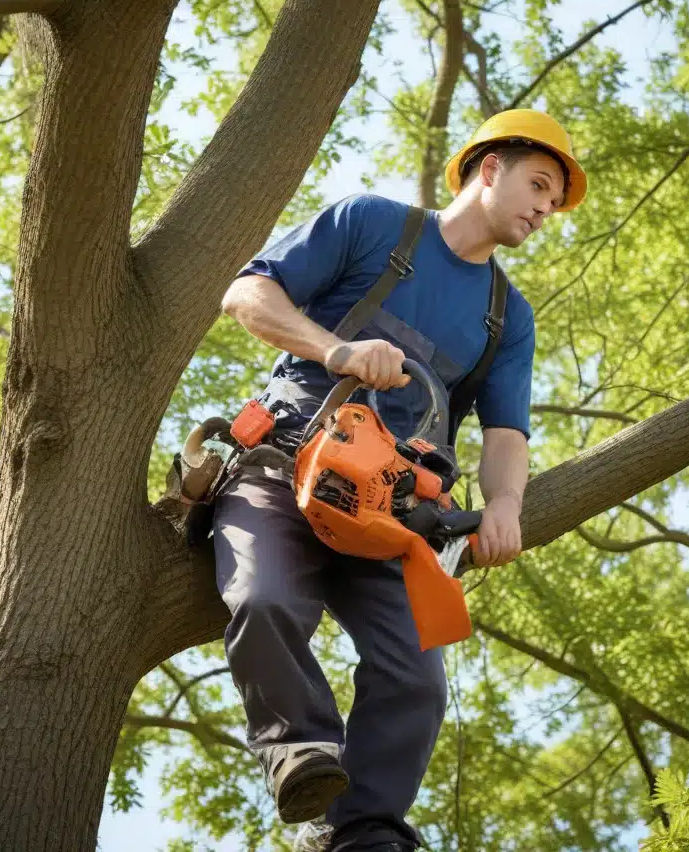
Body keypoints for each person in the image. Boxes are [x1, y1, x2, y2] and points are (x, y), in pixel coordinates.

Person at [215, 110, 587, 851]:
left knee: (416, 681)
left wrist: (506, 504)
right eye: (538, 184)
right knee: (263, 599)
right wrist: (338, 352)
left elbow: (507, 434)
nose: (546, 207)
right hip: (287, 466)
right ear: (488, 170)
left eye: (556, 199)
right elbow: (247, 295)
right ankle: (303, 754)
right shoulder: (372, 223)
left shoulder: (505, 318)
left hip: (392, 512)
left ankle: (364, 831)